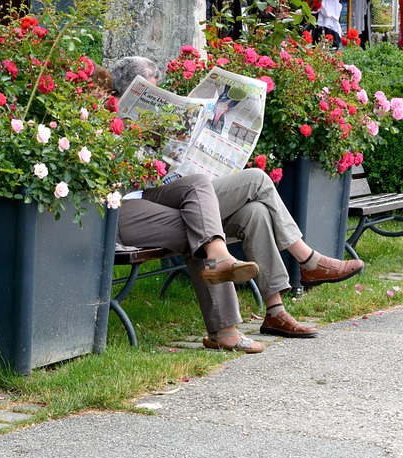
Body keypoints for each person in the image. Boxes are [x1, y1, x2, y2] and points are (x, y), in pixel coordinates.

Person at [109, 56, 364, 349]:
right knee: (254, 180)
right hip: (134, 203)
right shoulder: (106, 118)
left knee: (253, 212)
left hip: (170, 193)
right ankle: (306, 261)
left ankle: (275, 312)